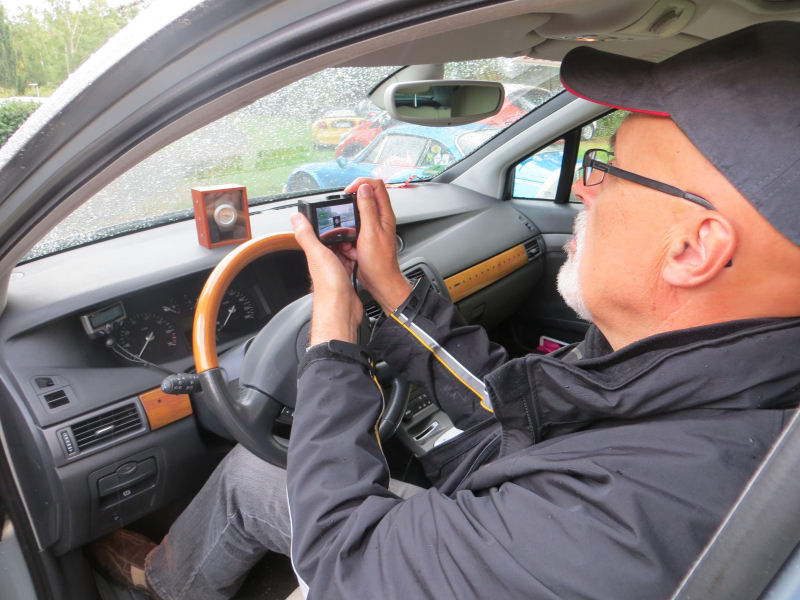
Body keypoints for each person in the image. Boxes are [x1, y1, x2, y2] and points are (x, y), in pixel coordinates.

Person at [89, 20, 800, 600]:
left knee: (261, 483)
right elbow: (521, 409)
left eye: (607, 169)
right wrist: (392, 290)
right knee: (253, 477)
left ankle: (158, 586)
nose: (585, 190)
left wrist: (332, 338)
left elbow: (344, 557)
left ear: (694, 248)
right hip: (503, 503)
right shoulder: (704, 382)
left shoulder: (624, 520)